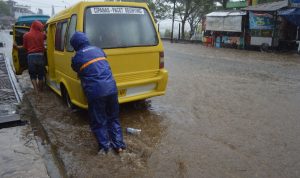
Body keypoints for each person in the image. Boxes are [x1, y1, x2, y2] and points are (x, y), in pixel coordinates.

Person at [70, 32, 126, 154]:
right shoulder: (99, 50)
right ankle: (119, 146)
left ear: (75, 44)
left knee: (98, 121)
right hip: (111, 88)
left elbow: (75, 68)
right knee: (113, 118)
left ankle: (105, 148)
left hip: (95, 92)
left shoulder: (77, 57)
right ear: (85, 40)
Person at [15, 20, 46, 93]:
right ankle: (40, 91)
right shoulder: (42, 35)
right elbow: (46, 36)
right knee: (41, 75)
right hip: (40, 56)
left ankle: (36, 91)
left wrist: (16, 47)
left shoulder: (26, 35)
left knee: (33, 75)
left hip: (31, 57)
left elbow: (24, 47)